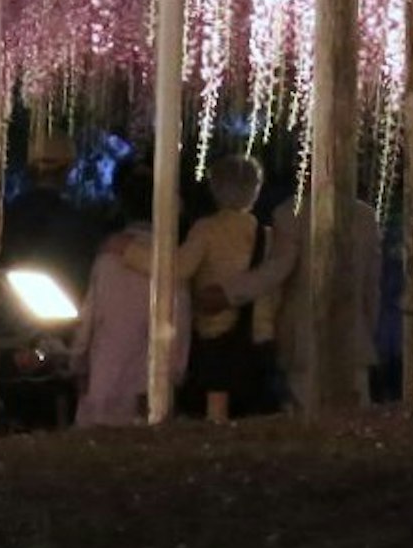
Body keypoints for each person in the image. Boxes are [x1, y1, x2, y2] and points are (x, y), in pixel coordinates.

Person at [171, 154, 276, 421]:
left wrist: (128, 252)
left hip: (217, 344)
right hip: (259, 347)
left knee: (213, 421)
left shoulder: (206, 230)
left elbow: (179, 270)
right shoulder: (269, 237)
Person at [75, 158, 175, 427]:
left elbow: (87, 323)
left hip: (106, 381)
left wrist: (78, 363)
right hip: (152, 385)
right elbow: (182, 327)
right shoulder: (174, 261)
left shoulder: (108, 260)